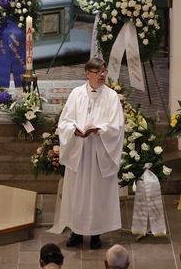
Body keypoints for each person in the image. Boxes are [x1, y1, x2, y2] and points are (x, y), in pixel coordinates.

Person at [57, 57, 124, 250]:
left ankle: (96, 234)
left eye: (104, 71)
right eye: (98, 72)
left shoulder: (111, 96)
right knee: (77, 194)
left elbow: (117, 126)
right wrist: (73, 130)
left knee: (97, 194)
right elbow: (64, 122)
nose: (102, 75)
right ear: (88, 74)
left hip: (99, 154)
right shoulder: (76, 94)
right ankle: (76, 232)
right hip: (79, 152)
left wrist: (99, 129)